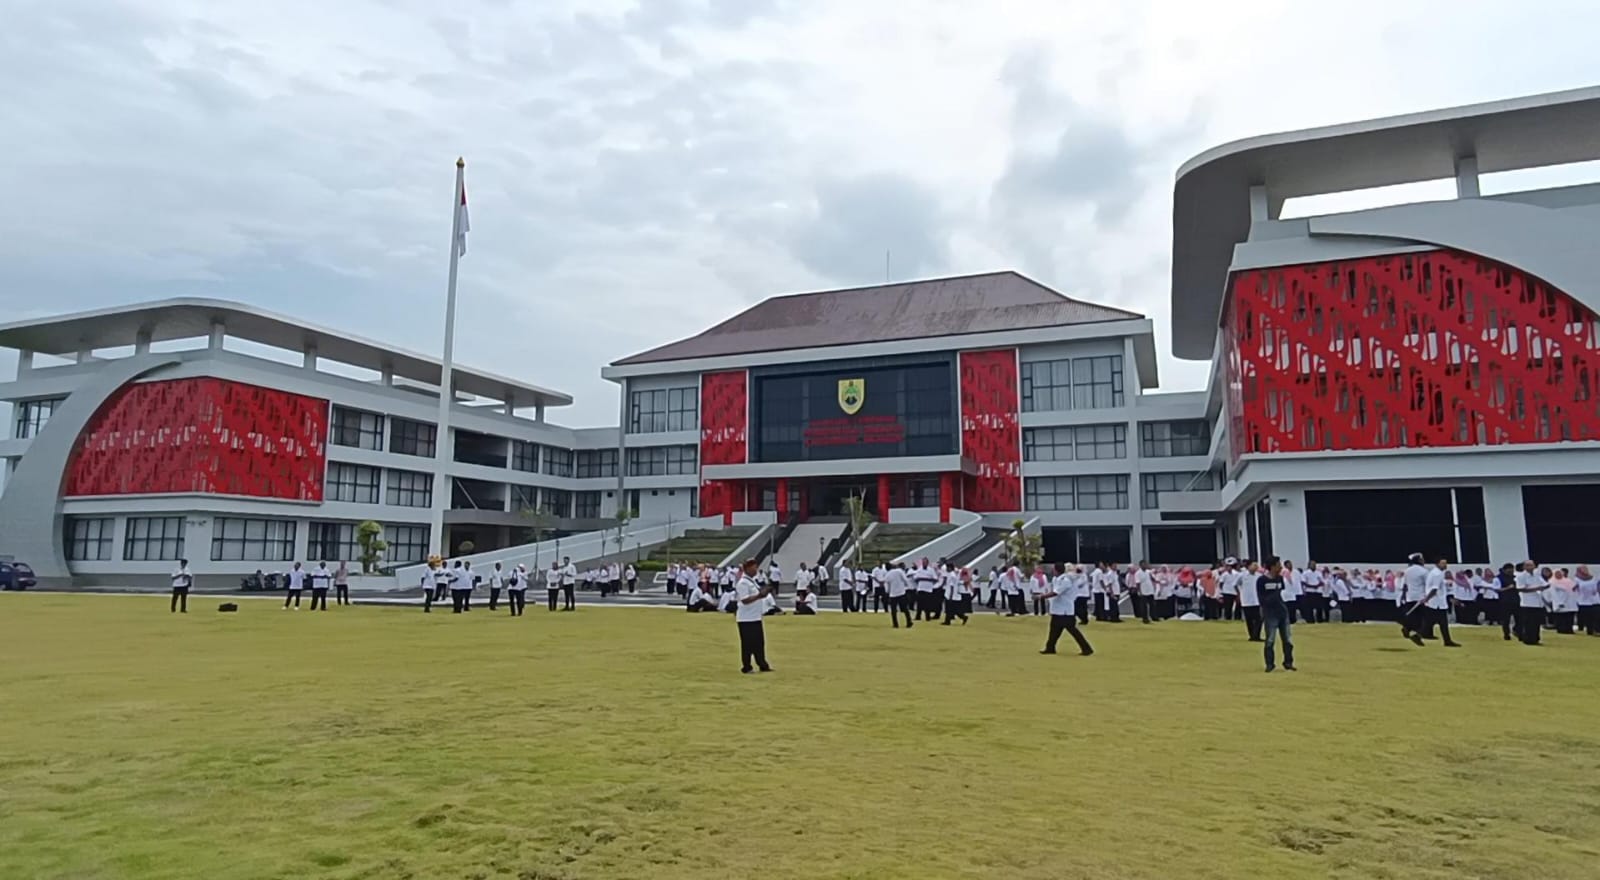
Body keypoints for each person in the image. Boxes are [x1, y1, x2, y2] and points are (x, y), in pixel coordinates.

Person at [1041, 562, 1094, 656]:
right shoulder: (1057, 579)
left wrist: (1041, 596)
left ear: (1057, 570)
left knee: (1072, 630)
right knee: (1054, 630)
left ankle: (1087, 648)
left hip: (1065, 610)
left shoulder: (1066, 580)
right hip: (1058, 609)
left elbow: (1056, 592)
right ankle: (1050, 647)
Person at [733, 559, 775, 674]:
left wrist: (764, 592)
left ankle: (762, 664)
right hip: (746, 618)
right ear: (747, 568)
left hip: (755, 617)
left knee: (759, 643)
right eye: (754, 567)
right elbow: (745, 600)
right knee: (747, 643)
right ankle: (747, 666)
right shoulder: (743, 583)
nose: (756, 569)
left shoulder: (752, 581)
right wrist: (759, 595)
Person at [1257, 557, 1297, 673]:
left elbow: (1282, 593)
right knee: (1270, 640)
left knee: (1288, 639)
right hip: (1270, 613)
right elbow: (1262, 598)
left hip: (1282, 612)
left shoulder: (1280, 579)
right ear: (1272, 567)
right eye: (1278, 565)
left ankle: (1288, 662)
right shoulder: (1262, 581)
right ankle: (1270, 664)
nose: (1280, 567)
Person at [1414, 558, 1463, 647]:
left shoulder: (1435, 573)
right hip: (1436, 603)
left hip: (1436, 603)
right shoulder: (1437, 574)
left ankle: (1446, 640)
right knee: (1436, 623)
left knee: (1437, 623)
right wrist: (1427, 599)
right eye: (1443, 563)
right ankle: (1446, 641)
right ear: (1437, 564)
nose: (1445, 565)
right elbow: (1434, 589)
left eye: (1445, 563)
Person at [1512, 561, 1549, 645]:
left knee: (1536, 622)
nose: (1530, 567)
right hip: (1527, 603)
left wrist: (1545, 586)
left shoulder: (1537, 576)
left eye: (1532, 565)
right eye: (1528, 565)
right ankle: (1527, 639)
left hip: (1538, 602)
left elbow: (1545, 584)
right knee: (1528, 623)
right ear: (1524, 567)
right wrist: (1536, 589)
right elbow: (1520, 589)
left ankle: (1535, 638)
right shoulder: (1521, 576)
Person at [1399, 553, 1429, 646]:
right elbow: (1428, 584)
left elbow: (1405, 585)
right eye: (1422, 559)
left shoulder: (1407, 570)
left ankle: (1407, 628)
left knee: (1413, 617)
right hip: (1420, 598)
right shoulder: (1424, 571)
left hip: (1410, 597)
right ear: (1419, 560)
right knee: (1426, 619)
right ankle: (1417, 635)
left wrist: (1403, 595)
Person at [1238, 559, 1262, 641]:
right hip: (1246, 601)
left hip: (1257, 601)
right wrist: (1239, 594)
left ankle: (1256, 635)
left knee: (1259, 619)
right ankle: (1252, 636)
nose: (1256, 567)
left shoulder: (1259, 576)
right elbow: (1236, 584)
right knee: (1249, 620)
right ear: (1248, 566)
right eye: (1254, 565)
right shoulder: (1242, 575)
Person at [886, 562, 913, 629]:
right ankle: (909, 621)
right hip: (901, 592)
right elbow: (905, 580)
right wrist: (907, 586)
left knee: (893, 610)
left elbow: (887, 585)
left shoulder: (887, 574)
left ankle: (895, 624)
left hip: (893, 594)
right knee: (904, 608)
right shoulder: (899, 571)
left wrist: (888, 593)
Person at [1576, 566, 1600, 636]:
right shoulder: (1577, 579)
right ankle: (1590, 631)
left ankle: (1597, 630)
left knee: (1597, 616)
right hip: (1583, 602)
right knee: (1588, 618)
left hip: (1595, 601)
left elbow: (1597, 587)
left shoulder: (1594, 578)